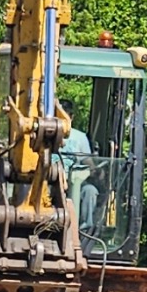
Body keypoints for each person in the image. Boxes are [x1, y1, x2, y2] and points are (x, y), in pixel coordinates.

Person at [59, 99, 99, 239]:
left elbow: (88, 161)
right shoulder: (44, 133)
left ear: (72, 117)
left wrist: (96, 170)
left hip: (74, 183)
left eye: (65, 116)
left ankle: (83, 233)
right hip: (47, 182)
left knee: (90, 191)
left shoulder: (80, 137)